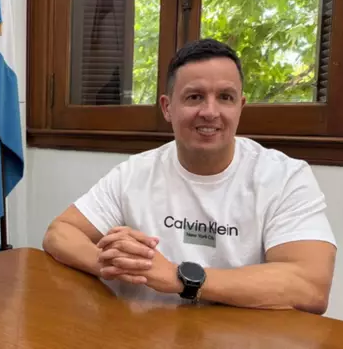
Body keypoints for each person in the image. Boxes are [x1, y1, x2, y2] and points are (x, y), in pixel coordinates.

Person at [43, 38, 337, 314]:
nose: (210, 112)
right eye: (194, 97)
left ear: (240, 107)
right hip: (144, 333)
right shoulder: (135, 172)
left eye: (225, 97)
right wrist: (113, 264)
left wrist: (180, 278)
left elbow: (310, 286)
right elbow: (59, 232)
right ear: (167, 108)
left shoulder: (285, 177)